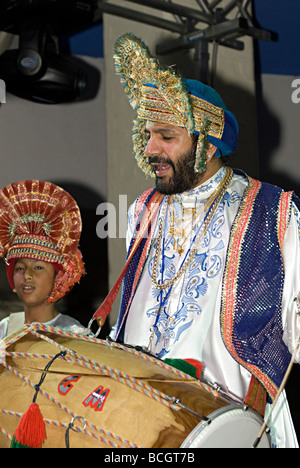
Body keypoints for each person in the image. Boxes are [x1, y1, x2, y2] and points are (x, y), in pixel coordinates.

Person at [105, 33, 300, 448]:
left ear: (208, 143)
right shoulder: (143, 208)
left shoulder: (274, 211)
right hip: (134, 414)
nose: (151, 149)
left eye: (167, 137)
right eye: (149, 134)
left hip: (227, 423)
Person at [0, 179, 89, 339]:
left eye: (38, 267)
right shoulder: (5, 329)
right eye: (20, 268)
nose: (27, 275)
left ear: (58, 280)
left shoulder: (74, 334)